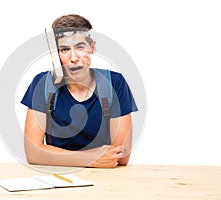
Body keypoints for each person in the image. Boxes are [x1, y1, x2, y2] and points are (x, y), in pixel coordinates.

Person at [21, 14, 138, 168]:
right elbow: (33, 153)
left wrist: (53, 155)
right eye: (64, 49)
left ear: (92, 47)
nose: (73, 57)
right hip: (57, 176)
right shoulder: (42, 84)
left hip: (107, 180)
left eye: (80, 47)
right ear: (56, 54)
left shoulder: (115, 83)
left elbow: (120, 156)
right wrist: (90, 159)